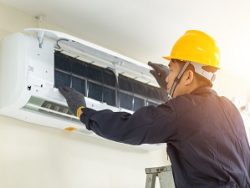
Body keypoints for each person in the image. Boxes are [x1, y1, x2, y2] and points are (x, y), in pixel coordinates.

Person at [59, 30, 250, 188]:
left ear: (189, 76)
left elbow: (128, 127)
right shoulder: (230, 109)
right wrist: (173, 86)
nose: (167, 78)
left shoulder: (183, 111)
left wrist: (83, 112)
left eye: (172, 70)